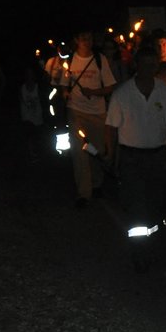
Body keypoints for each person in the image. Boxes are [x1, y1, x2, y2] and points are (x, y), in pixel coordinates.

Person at [104, 48, 166, 266]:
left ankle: (153, 242)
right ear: (136, 65)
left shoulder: (165, 92)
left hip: (157, 156)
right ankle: (139, 251)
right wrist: (111, 155)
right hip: (131, 158)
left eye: (153, 64)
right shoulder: (123, 93)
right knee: (137, 205)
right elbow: (111, 127)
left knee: (155, 203)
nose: (149, 68)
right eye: (145, 63)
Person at [47, 30, 118, 208]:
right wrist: (65, 93)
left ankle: (97, 183)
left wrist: (93, 92)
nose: (87, 41)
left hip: (97, 112)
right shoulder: (70, 61)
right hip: (76, 111)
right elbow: (64, 85)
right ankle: (83, 193)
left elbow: (111, 86)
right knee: (80, 152)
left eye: (90, 38)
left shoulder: (100, 60)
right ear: (77, 40)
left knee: (97, 149)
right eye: (83, 38)